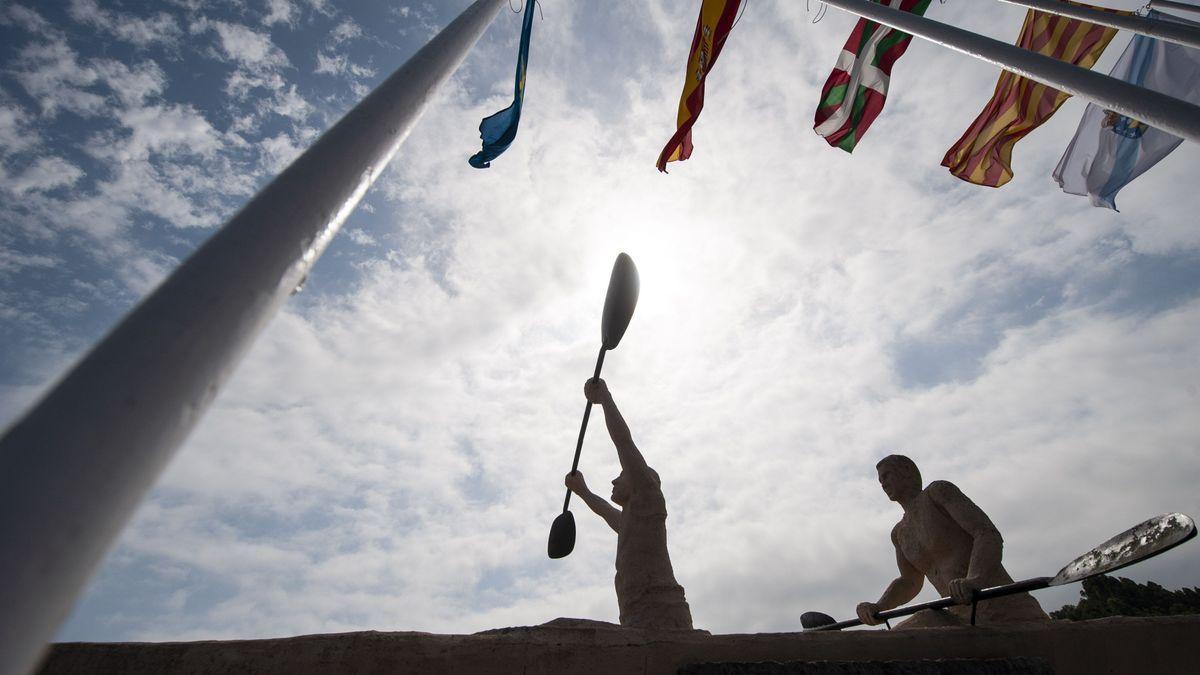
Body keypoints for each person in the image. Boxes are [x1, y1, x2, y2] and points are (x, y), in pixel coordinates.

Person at [856, 454, 1048, 628]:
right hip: (961, 617)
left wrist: (975, 579)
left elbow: (986, 533)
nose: (883, 483)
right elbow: (909, 582)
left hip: (1007, 609)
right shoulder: (899, 533)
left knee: (922, 622)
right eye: (880, 480)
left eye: (887, 476)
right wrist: (880, 606)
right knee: (913, 629)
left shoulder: (937, 493)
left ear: (906, 471)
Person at [564, 377, 694, 630]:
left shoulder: (648, 499)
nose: (614, 480)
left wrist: (605, 400)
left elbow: (623, 442)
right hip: (635, 612)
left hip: (660, 609)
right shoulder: (631, 522)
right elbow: (604, 511)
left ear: (639, 479)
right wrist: (582, 491)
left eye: (622, 475)